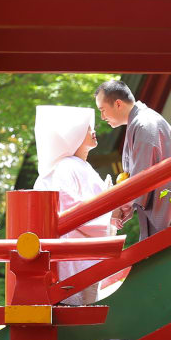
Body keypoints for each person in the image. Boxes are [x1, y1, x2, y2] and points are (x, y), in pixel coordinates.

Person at [94, 79, 171, 246]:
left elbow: (142, 178)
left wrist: (120, 206)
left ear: (118, 104)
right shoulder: (140, 121)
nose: (102, 117)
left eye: (103, 110)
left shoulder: (145, 124)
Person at [32, 105, 110, 306]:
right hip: (77, 254)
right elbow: (70, 207)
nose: (94, 131)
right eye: (87, 128)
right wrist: (110, 211)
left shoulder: (77, 165)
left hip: (85, 250)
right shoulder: (66, 167)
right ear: (72, 133)